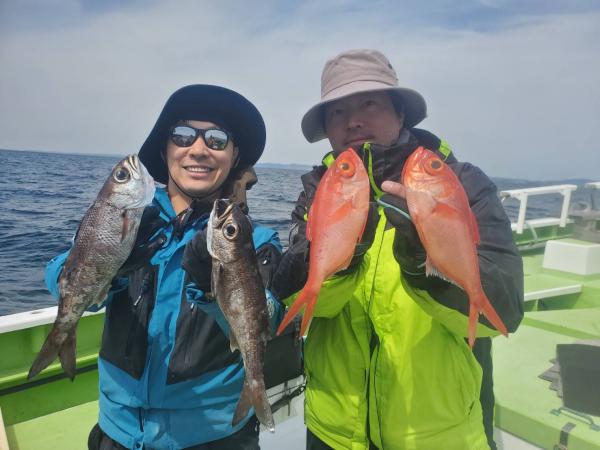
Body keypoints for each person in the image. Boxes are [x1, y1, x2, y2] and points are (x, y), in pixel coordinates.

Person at [271, 49, 524, 450]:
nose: (353, 121)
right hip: (333, 431)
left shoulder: (460, 184)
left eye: (369, 103)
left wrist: (423, 261)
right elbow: (309, 305)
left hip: (438, 436)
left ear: (400, 113)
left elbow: (502, 314)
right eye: (337, 112)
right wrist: (345, 257)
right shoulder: (319, 191)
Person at [45, 85, 284, 449]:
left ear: (234, 156)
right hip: (117, 432)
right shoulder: (127, 219)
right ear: (164, 149)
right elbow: (58, 275)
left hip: (214, 437)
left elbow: (266, 318)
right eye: (183, 135)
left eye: (218, 139)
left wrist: (213, 290)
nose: (199, 149)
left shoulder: (254, 240)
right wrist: (111, 268)